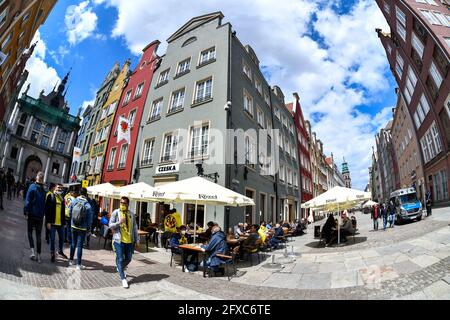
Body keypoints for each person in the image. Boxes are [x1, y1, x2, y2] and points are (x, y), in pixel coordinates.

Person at [109, 197, 139, 289]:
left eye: (124, 203)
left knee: (129, 259)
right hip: (119, 240)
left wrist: (137, 239)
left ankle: (120, 267)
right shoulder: (116, 212)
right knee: (121, 259)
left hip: (129, 241)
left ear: (127, 204)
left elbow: (134, 227)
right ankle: (123, 279)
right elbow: (110, 225)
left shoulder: (131, 214)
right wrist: (119, 222)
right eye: (121, 202)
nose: (122, 204)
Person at [68, 188, 93, 270]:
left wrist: (72, 220)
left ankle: (71, 260)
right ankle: (78, 265)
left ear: (79, 193)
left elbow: (70, 211)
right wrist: (88, 228)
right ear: (86, 194)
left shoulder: (74, 201)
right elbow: (89, 219)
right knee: (79, 246)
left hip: (73, 226)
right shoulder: (87, 205)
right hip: (82, 228)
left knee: (73, 243)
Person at [24, 172, 46, 263]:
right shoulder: (44, 190)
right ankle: (39, 255)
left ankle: (32, 251)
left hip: (32, 214)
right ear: (42, 179)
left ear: (37, 177)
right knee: (38, 236)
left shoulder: (32, 187)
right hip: (40, 216)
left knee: (29, 233)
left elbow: (28, 200)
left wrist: (25, 211)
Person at [45, 183, 68, 262]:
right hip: (52, 223)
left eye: (61, 188)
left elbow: (63, 211)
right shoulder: (50, 196)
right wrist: (48, 222)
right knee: (52, 239)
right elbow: (47, 210)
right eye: (58, 188)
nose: (60, 189)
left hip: (60, 223)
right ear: (55, 188)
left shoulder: (62, 198)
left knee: (62, 239)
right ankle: (52, 253)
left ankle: (60, 251)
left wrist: (64, 222)